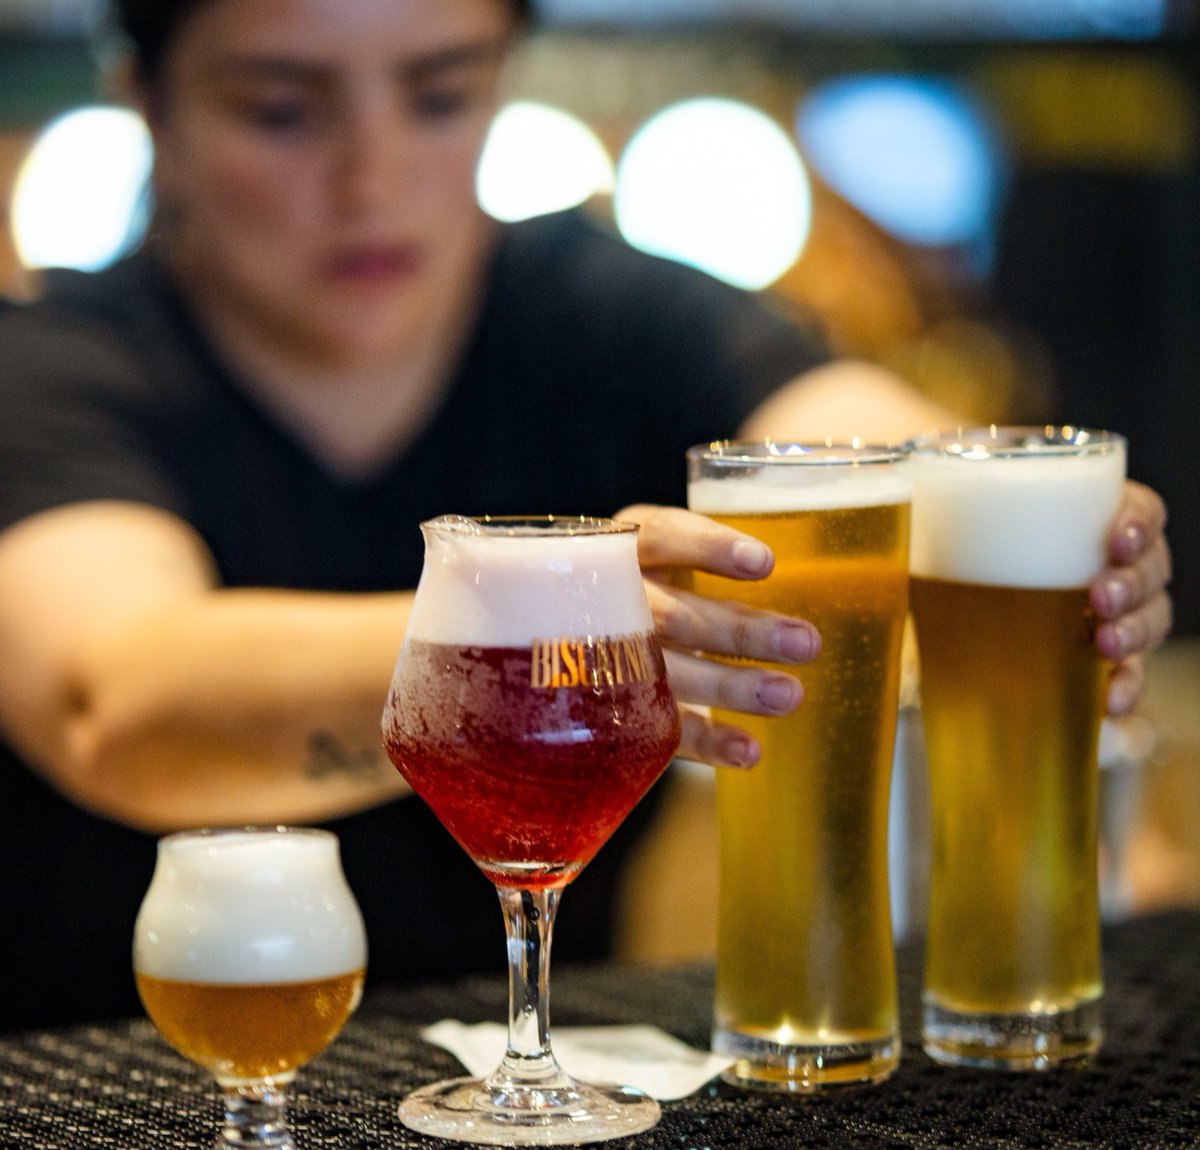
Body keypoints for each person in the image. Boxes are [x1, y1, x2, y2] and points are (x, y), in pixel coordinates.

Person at [0, 0, 1171, 1032]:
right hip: (127, 1098)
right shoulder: (55, 365)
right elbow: (116, 700)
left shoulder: (599, 310)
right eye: (280, 111)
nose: (375, 174)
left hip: (562, 1122)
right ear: (147, 103)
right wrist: (556, 627)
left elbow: (863, 435)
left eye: (442, 94)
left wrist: (1060, 522)